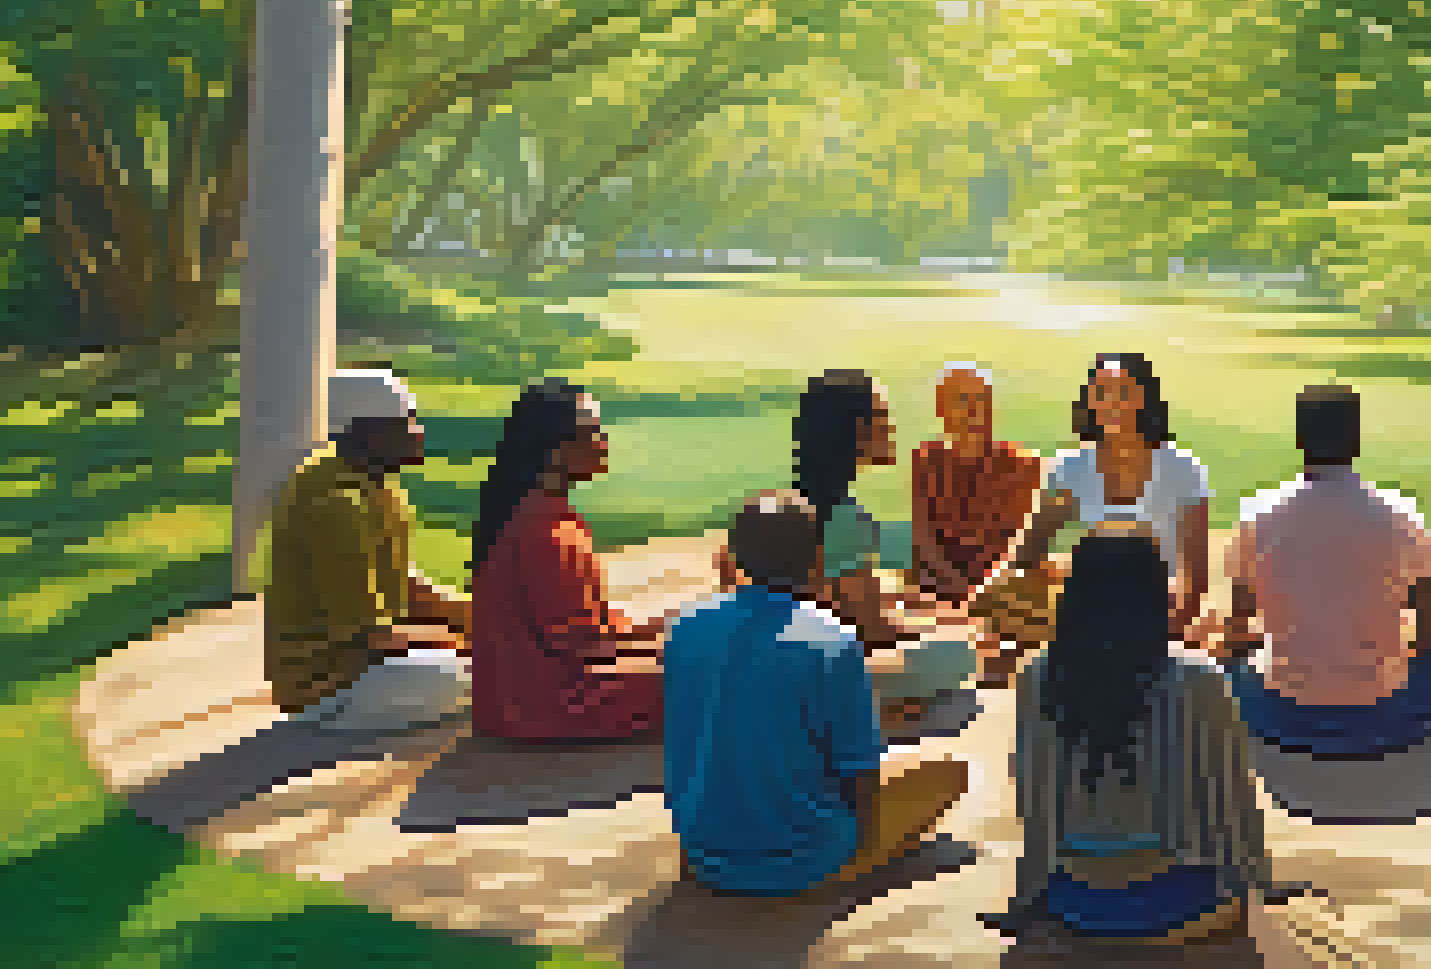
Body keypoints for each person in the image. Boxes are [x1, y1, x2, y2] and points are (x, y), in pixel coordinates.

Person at [666, 490, 970, 897]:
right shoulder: (833, 639)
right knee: (949, 768)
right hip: (807, 855)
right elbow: (858, 772)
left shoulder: (685, 630)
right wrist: (855, 841)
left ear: (734, 556)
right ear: (815, 557)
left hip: (704, 853)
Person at [987, 524, 1267, 943]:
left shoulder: (1036, 676)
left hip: (1074, 903)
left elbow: (1035, 799)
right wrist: (1254, 882)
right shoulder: (1199, 678)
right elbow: (1231, 797)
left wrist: (1027, 898)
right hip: (1180, 903)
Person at [1203, 384, 1431, 756]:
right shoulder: (1400, 515)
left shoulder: (1256, 517)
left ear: (1300, 440)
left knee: (1226, 670)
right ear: (1355, 441)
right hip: (1384, 719)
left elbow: (1234, 630)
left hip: (1279, 718)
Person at [970, 353, 1213, 689]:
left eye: (1122, 392)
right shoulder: (1072, 465)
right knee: (1017, 583)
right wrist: (997, 592)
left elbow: (1193, 573)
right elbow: (1030, 548)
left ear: (1144, 397)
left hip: (1155, 599)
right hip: (1090, 595)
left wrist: (1172, 632)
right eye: (1101, 392)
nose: (1111, 403)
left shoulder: (1180, 467)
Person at [263, 368, 473, 733]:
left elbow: (400, 584)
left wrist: (477, 614)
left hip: (371, 666)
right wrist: (466, 641)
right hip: (328, 689)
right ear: (366, 433)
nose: (420, 432)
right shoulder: (336, 506)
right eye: (407, 422)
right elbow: (367, 637)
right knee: (492, 670)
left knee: (505, 658)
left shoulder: (378, 490)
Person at [469, 379, 666, 741]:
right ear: (554, 450)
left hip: (513, 702)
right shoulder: (544, 529)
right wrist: (670, 642)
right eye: (592, 432)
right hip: (550, 706)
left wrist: (654, 631)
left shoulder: (533, 510)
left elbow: (584, 629)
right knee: (716, 679)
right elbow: (585, 642)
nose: (604, 441)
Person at [792, 369, 979, 728]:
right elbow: (873, 630)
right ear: (856, 430)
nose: (892, 427)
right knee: (962, 652)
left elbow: (840, 597)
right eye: (883, 416)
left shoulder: (792, 501)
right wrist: (944, 625)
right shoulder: (846, 518)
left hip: (789, 661)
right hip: (823, 676)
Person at [911, 362, 1044, 604]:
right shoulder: (926, 462)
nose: (974, 409)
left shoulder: (1023, 466)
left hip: (1003, 594)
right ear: (941, 409)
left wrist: (985, 593)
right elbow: (925, 545)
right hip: (939, 594)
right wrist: (964, 593)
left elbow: (1024, 548)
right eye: (962, 399)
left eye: (982, 399)